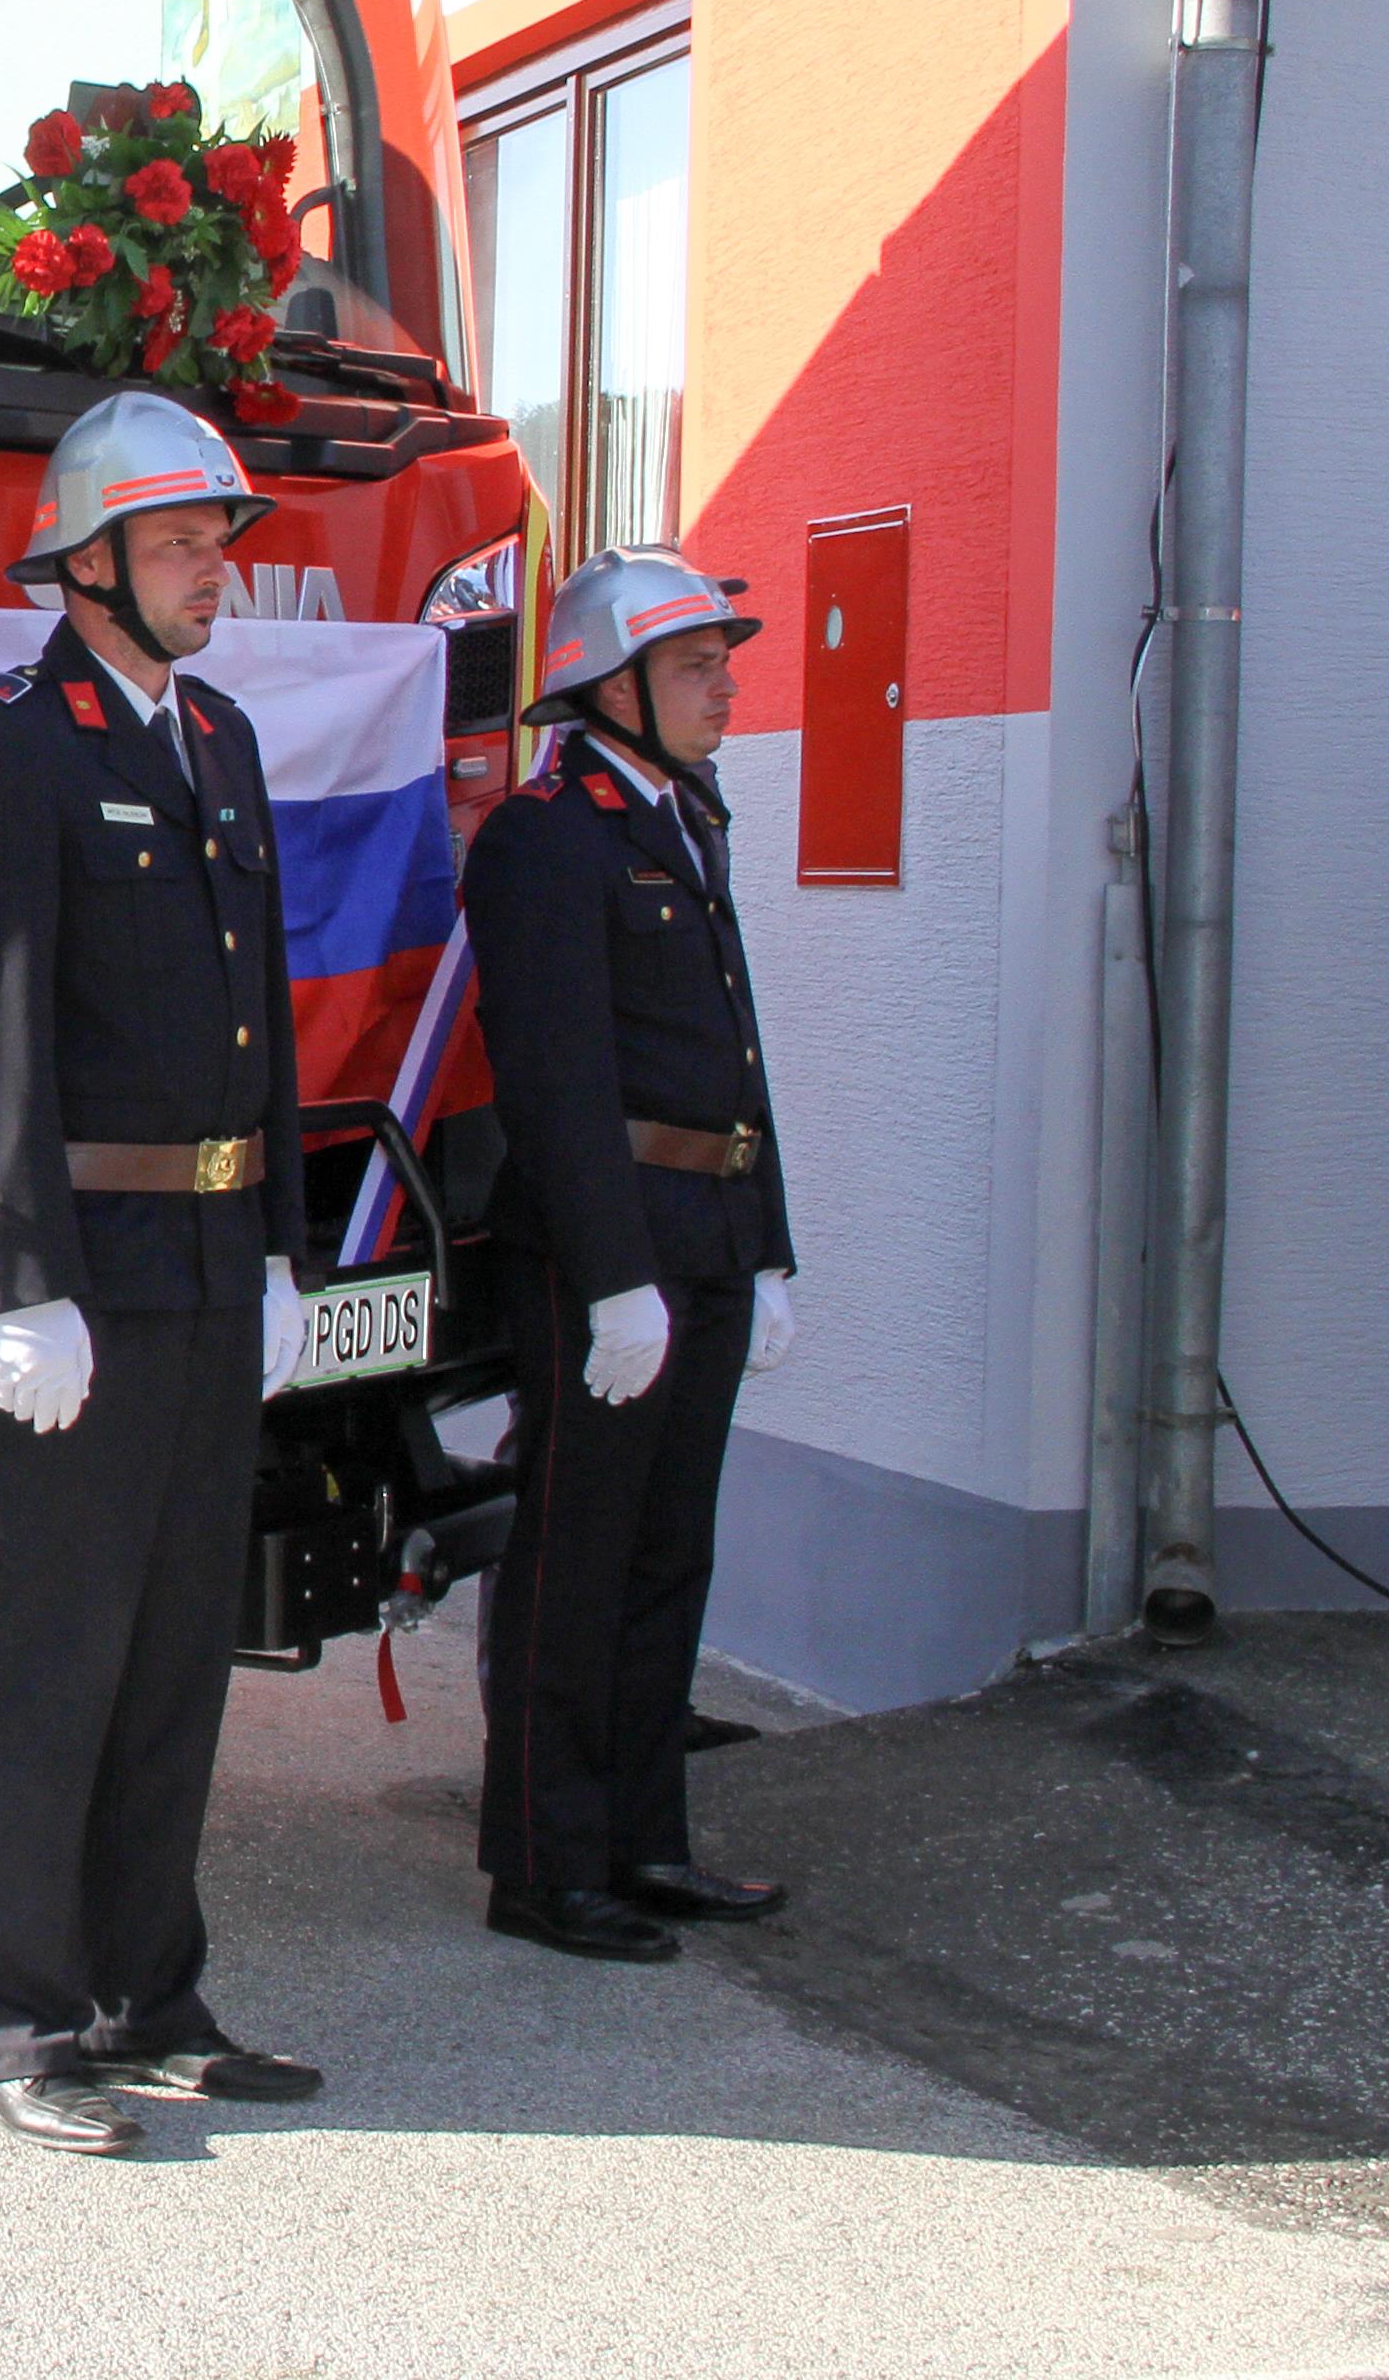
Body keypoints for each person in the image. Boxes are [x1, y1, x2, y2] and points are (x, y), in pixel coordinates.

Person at [0, 391, 322, 2158]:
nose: (214, 567)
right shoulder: (4, 745)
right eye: (178, 542)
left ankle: (151, 1996)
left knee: (170, 1658)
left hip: (210, 1265)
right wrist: (21, 1282)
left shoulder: (218, 738)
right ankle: (16, 2019)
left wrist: (283, 1245)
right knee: (47, 1661)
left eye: (220, 538)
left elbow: (259, 1015)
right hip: (78, 1275)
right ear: (86, 564)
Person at [458, 548, 806, 1962]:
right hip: (610, 1247)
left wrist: (768, 1249)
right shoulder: (547, 836)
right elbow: (554, 1080)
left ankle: (646, 1840)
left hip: (707, 1231)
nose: (725, 686)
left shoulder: (683, 813)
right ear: (611, 687)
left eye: (723, 662)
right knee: (577, 1558)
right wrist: (614, 1281)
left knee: (669, 1553)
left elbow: (736, 1049)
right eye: (694, 665)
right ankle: (546, 1864)